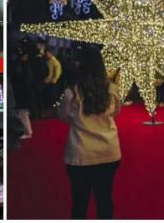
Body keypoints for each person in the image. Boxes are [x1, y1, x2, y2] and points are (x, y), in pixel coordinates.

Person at [59, 48, 123, 219]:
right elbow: (116, 113)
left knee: (80, 201)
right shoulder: (112, 89)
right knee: (104, 199)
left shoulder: (72, 91)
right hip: (108, 151)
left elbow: (63, 116)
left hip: (81, 152)